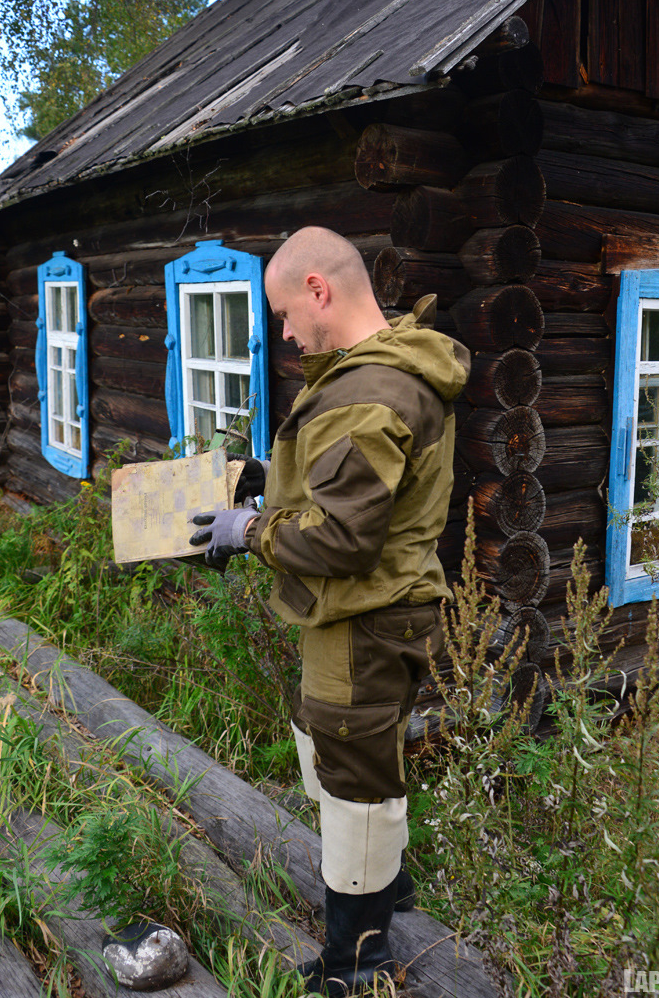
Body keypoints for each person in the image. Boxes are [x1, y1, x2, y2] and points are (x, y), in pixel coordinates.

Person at [190, 226, 470, 995]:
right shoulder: (370, 370)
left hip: (366, 616)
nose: (283, 332)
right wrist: (258, 478)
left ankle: (358, 957)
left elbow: (343, 535)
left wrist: (249, 529)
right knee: (340, 751)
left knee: (352, 777)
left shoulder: (375, 388)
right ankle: (386, 888)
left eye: (284, 312)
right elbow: (339, 484)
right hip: (360, 611)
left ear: (320, 288)